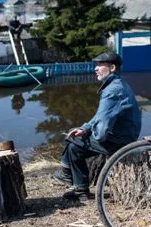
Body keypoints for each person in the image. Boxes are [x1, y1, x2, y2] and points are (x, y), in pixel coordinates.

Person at [52, 51, 142, 201]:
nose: (96, 68)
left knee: (72, 140)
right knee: (75, 143)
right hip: (121, 135)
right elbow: (100, 117)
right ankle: (80, 190)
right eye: (96, 65)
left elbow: (101, 129)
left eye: (100, 65)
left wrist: (90, 135)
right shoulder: (116, 84)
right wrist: (85, 128)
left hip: (121, 140)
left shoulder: (113, 90)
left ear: (112, 68)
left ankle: (66, 174)